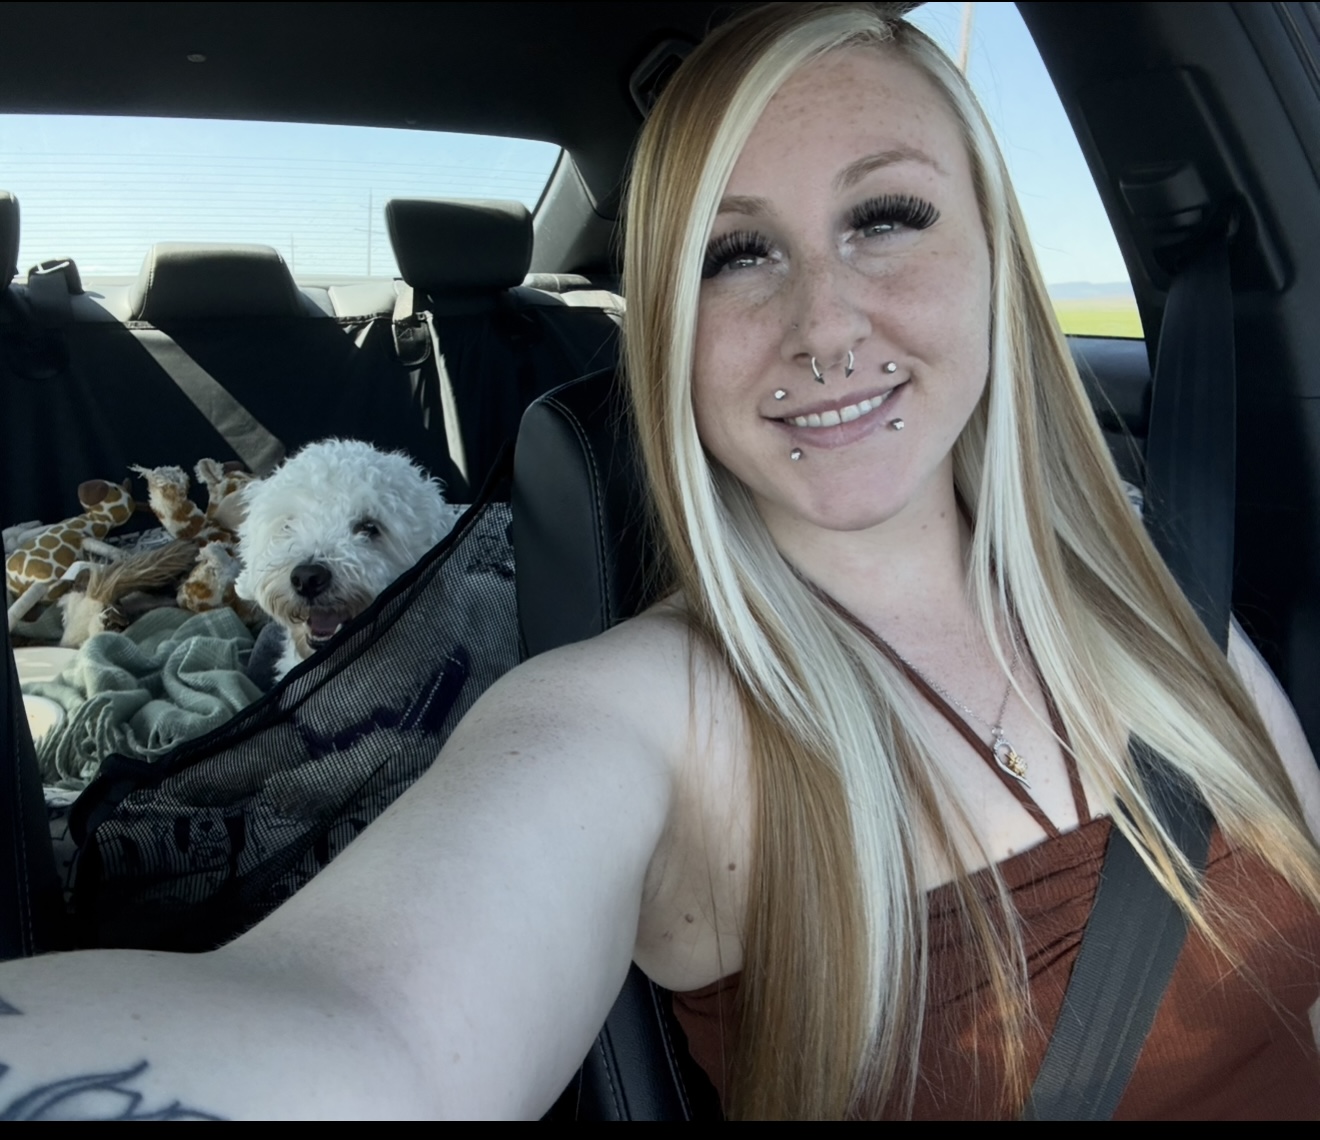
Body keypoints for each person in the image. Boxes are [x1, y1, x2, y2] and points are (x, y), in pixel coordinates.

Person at [3, 1, 1320, 1120]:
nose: (822, 322)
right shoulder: (630, 720)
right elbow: (369, 1031)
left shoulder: (1157, 566)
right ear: (665, 326)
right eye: (737, 253)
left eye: (887, 217)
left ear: (994, 257)